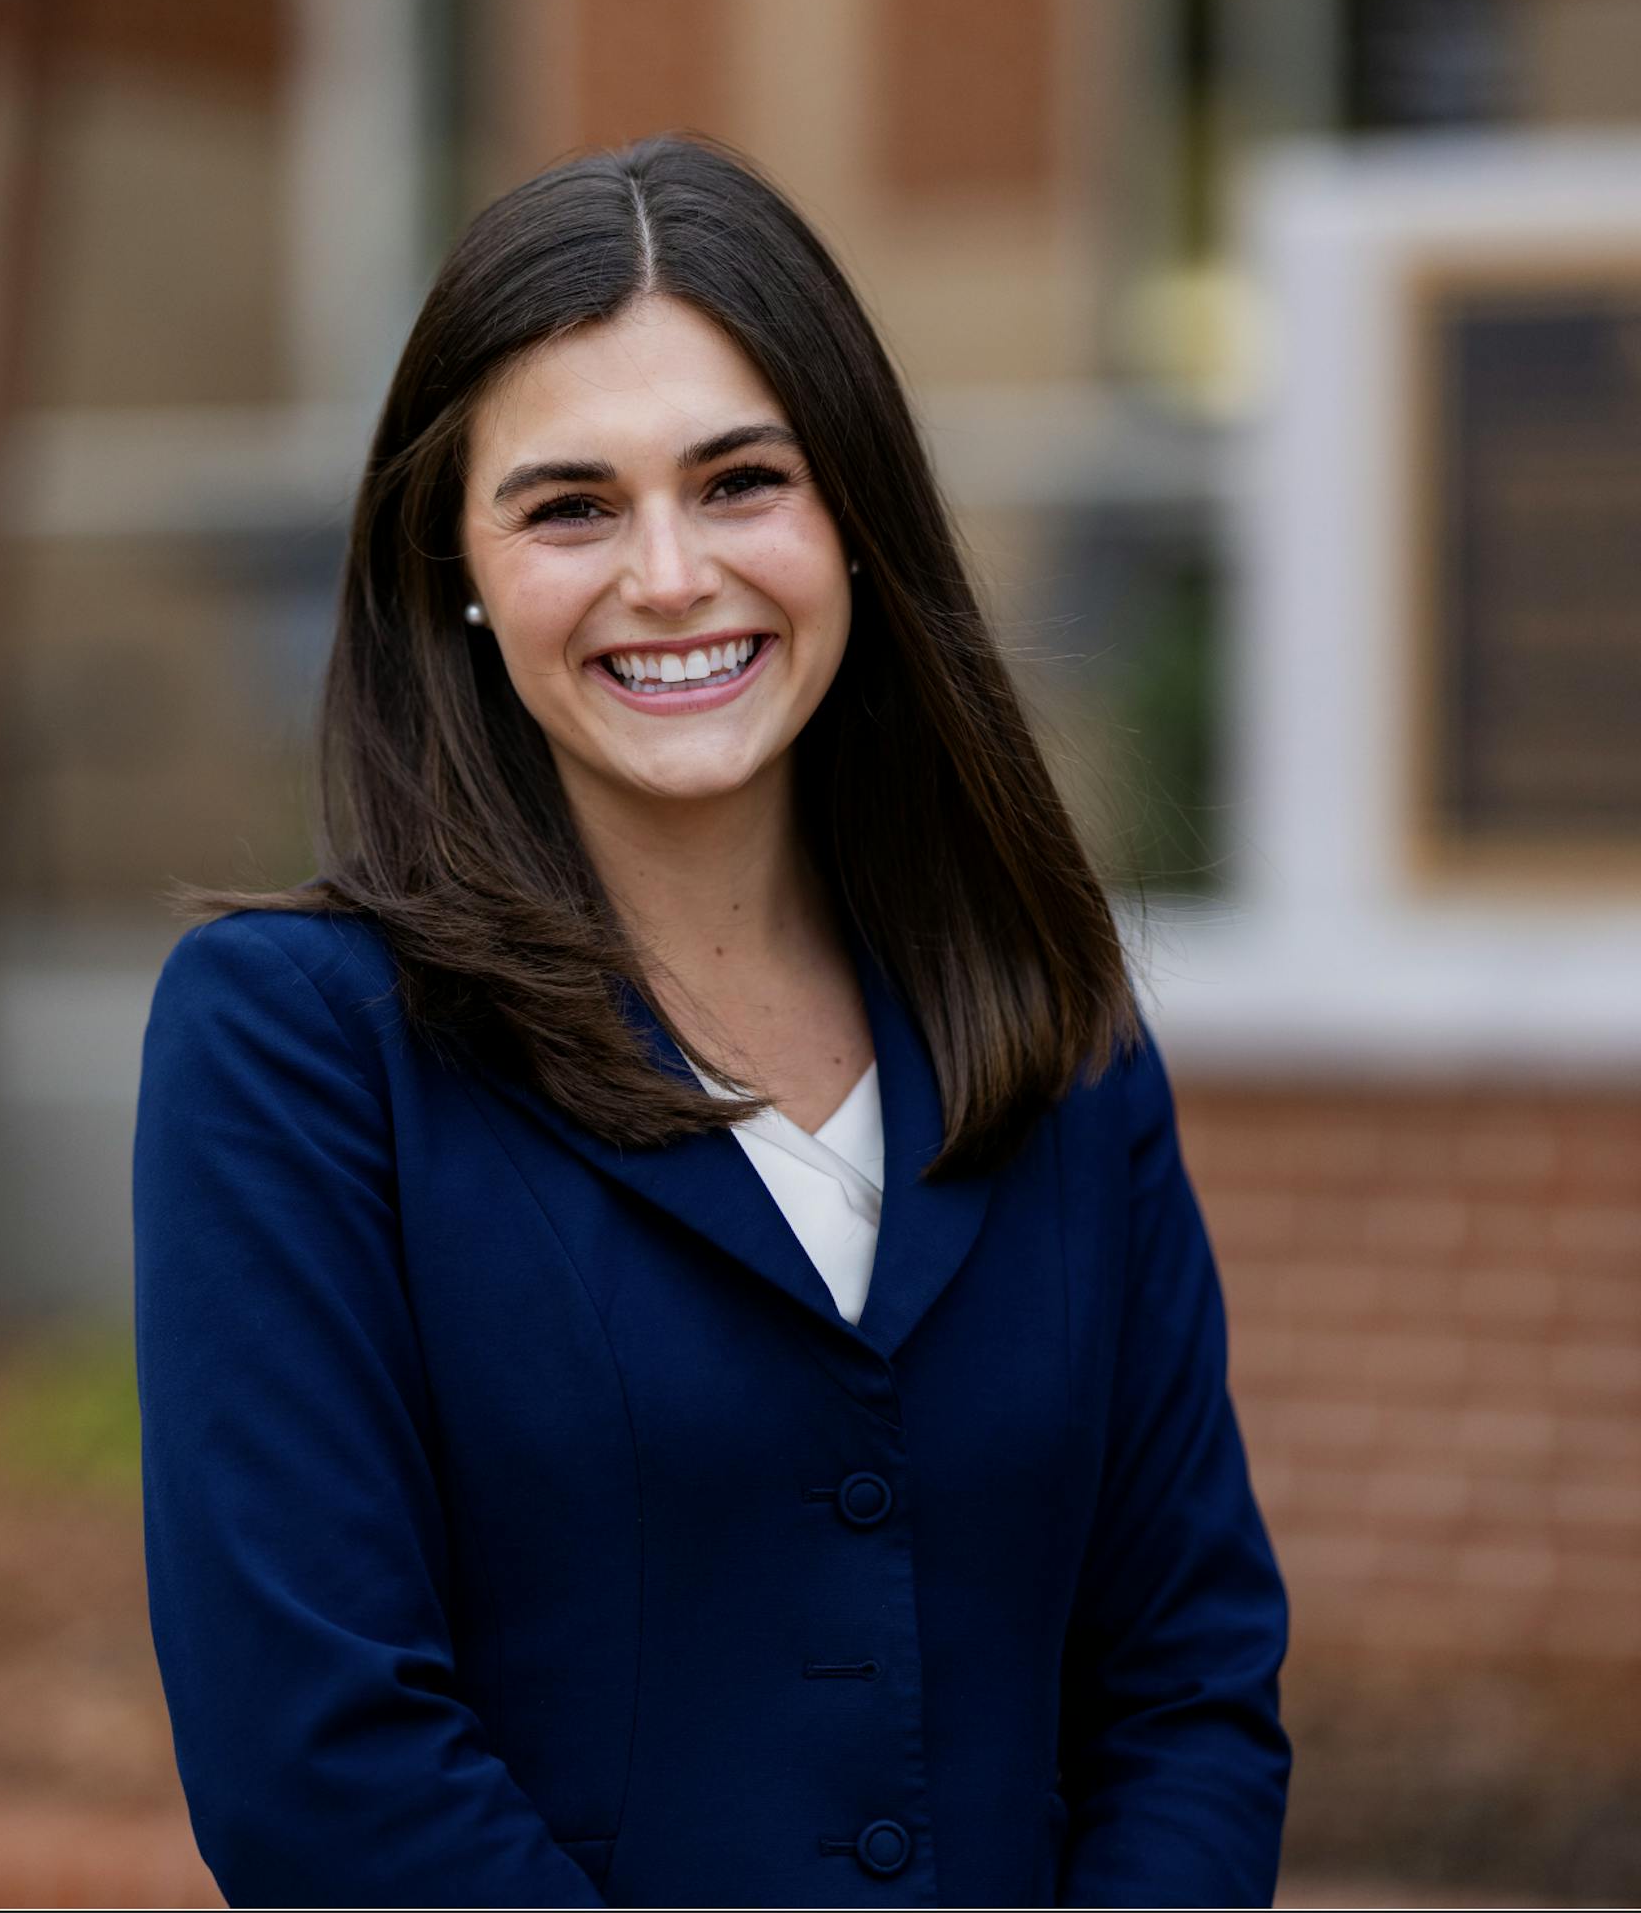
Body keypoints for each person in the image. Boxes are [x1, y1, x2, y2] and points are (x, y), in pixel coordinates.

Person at [132, 133, 1291, 1909]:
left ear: (855, 521)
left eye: (741, 480)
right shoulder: (297, 1052)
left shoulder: (1057, 1038)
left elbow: (1189, 1692)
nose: (668, 576)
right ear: (455, 565)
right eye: (570, 504)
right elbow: (318, 1759)